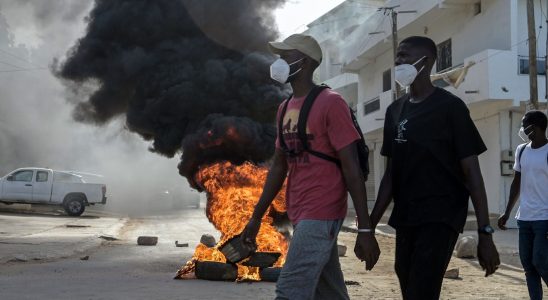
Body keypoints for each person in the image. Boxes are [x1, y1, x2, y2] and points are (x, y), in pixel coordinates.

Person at [240, 33, 380, 300]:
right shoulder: (284, 108)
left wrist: (365, 228)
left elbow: (351, 168)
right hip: (300, 210)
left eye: (285, 56)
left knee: (290, 289)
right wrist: (256, 217)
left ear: (303, 62)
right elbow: (279, 167)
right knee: (329, 292)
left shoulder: (331, 102)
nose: (279, 61)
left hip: (322, 209)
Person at [369, 36, 500, 300]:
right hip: (407, 215)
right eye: (397, 58)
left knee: (422, 285)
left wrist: (485, 232)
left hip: (441, 215)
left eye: (404, 56)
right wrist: (368, 228)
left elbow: (472, 174)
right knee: (405, 276)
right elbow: (390, 176)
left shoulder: (451, 108)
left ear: (425, 61)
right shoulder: (395, 111)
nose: (398, 62)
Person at [498, 110, 548, 300]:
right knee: (528, 266)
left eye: (524, 125)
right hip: (524, 218)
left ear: (534, 128)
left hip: (544, 218)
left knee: (540, 261)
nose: (522, 129)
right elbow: (516, 183)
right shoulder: (522, 150)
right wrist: (507, 212)